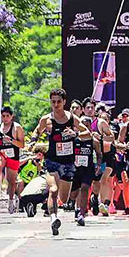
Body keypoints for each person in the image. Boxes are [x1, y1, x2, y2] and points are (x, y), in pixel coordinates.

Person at [34, 88, 89, 236]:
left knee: (63, 198)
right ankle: (53, 219)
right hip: (52, 160)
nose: (56, 104)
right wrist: (33, 141)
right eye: (53, 102)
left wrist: (75, 133)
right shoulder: (46, 119)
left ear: (64, 102)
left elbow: (87, 133)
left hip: (68, 162)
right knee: (53, 190)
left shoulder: (72, 118)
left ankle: (55, 208)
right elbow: (37, 131)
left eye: (59, 101)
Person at [0, 106, 24, 212]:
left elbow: (22, 145)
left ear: (11, 116)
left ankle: (11, 201)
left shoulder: (17, 128)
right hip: (1, 153)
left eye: (7, 116)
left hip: (13, 155)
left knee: (11, 181)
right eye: (3, 116)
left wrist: (12, 140)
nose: (5, 118)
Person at [71, 117, 103, 226]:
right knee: (73, 194)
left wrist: (98, 165)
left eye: (88, 126)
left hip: (87, 168)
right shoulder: (73, 139)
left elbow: (99, 154)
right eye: (83, 126)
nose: (85, 129)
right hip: (75, 169)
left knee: (85, 189)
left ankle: (82, 213)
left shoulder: (94, 141)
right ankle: (75, 206)